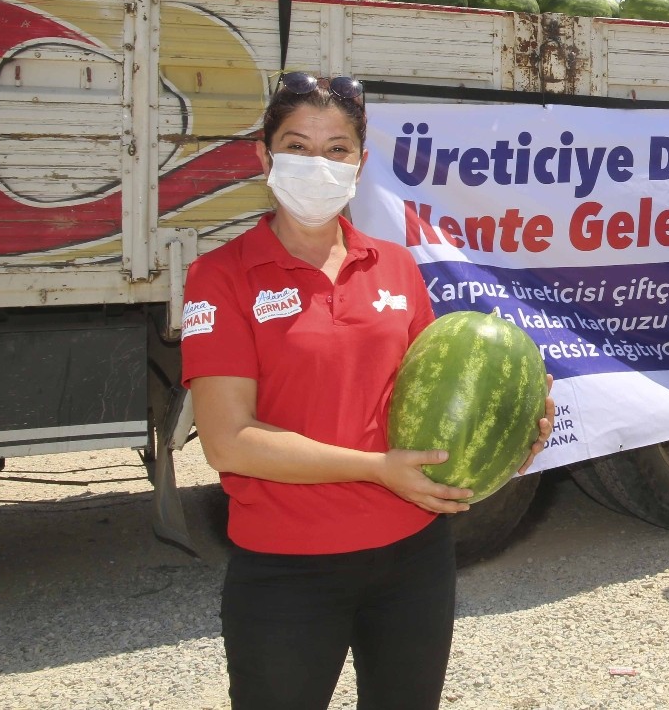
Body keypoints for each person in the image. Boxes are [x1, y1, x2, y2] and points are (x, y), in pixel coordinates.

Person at [182, 71, 553, 709]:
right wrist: (378, 469)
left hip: (414, 558)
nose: (316, 165)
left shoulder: (396, 265)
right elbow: (228, 441)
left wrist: (518, 428)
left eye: (336, 151)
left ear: (360, 164)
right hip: (287, 567)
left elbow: (436, 406)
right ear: (262, 157)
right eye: (296, 147)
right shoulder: (220, 277)